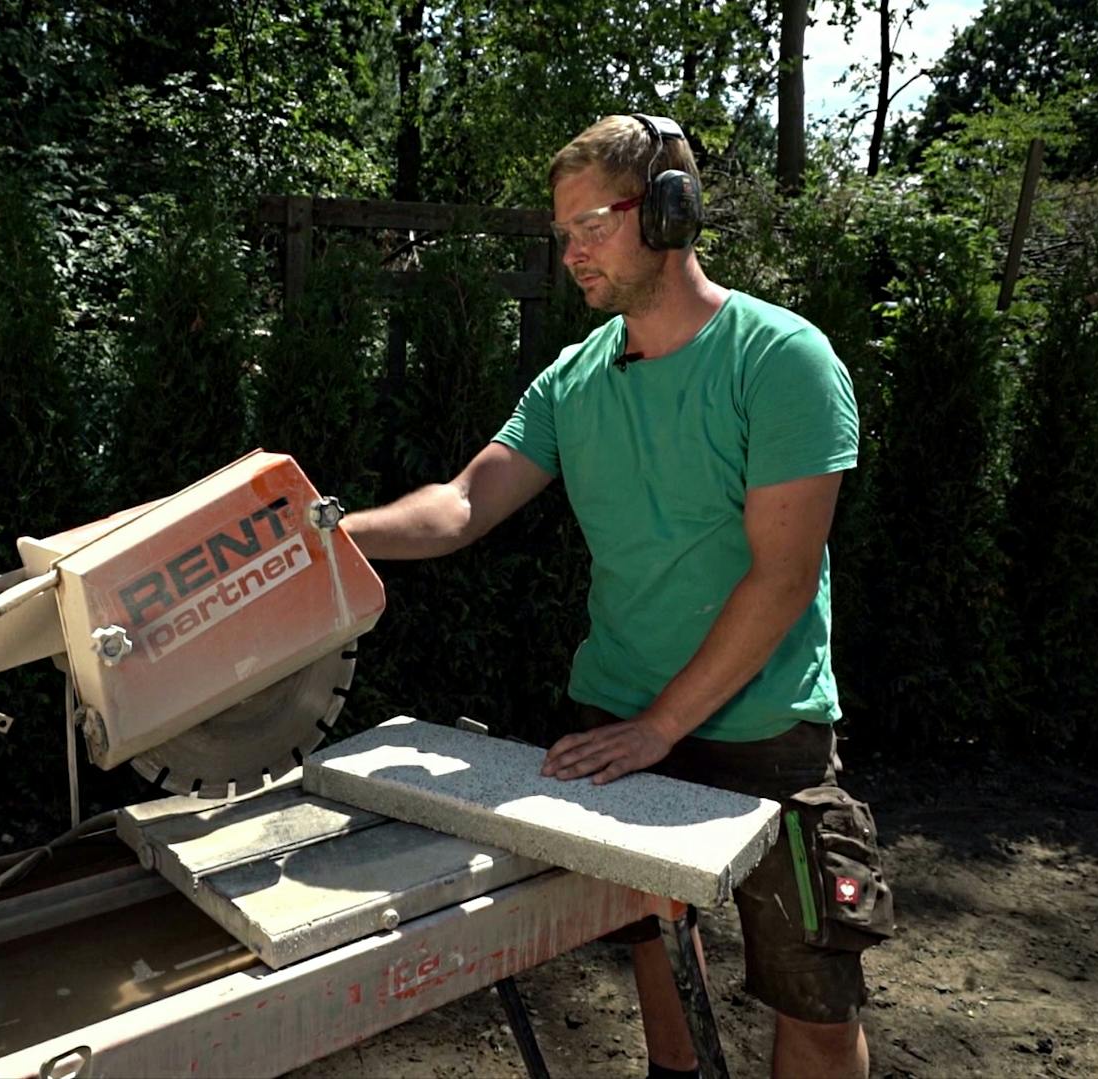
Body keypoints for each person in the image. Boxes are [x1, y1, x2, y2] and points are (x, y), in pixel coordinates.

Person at [341, 114, 893, 1079]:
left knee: (812, 986)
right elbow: (466, 503)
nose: (572, 253)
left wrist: (664, 726)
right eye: (563, 234)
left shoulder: (782, 361)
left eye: (591, 224)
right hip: (620, 719)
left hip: (764, 728)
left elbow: (784, 576)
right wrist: (329, 533)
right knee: (656, 948)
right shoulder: (574, 379)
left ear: (672, 213)